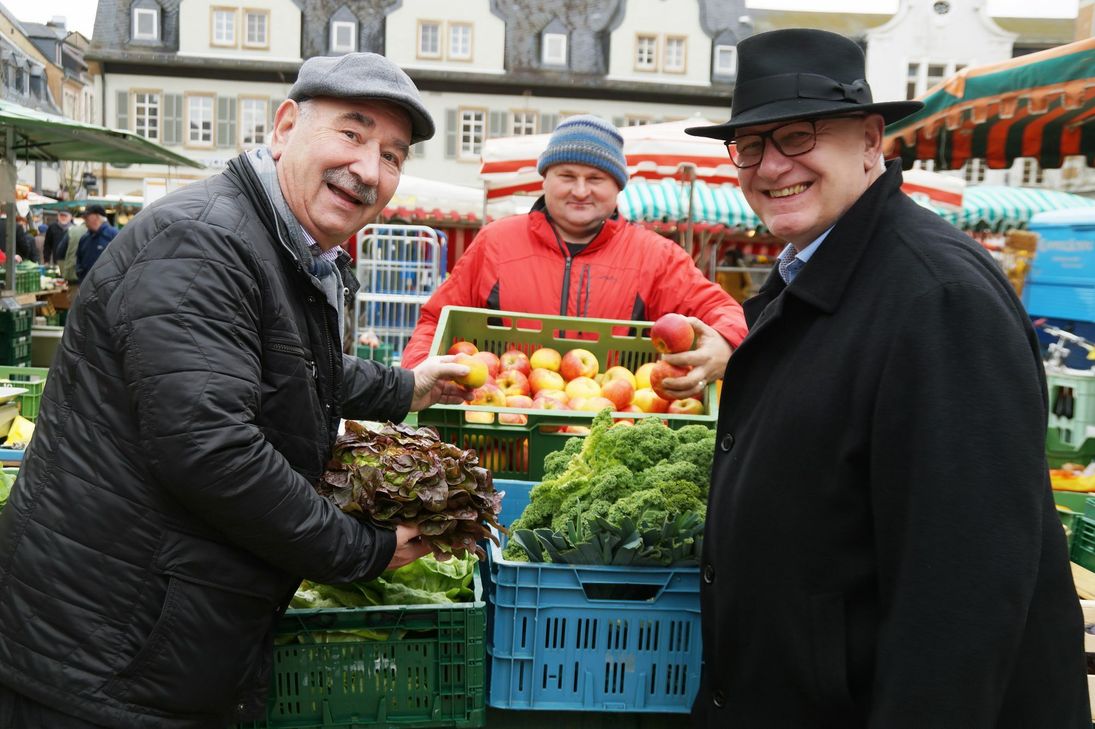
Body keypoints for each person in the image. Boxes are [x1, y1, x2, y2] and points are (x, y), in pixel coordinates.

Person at [0, 52, 474, 728]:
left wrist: (405, 386)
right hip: (104, 655)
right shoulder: (201, 242)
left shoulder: (280, 246)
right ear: (285, 127)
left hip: (149, 641)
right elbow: (212, 448)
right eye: (351, 133)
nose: (370, 169)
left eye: (392, 156)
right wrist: (360, 549)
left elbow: (283, 366)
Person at [683, 28, 1088, 728]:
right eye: (748, 146)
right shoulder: (813, 274)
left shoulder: (937, 299)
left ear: (871, 139)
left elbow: (963, 591)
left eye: (798, 136)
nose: (769, 165)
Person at [400, 115, 748, 396]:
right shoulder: (495, 242)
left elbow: (721, 312)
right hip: (505, 423)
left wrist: (726, 342)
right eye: (567, 176)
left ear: (617, 187)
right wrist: (419, 373)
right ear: (545, 180)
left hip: (615, 431)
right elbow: (436, 320)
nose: (580, 191)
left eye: (596, 178)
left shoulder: (657, 256)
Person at [74, 203, 118, 282]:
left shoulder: (114, 235)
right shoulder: (84, 238)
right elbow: (78, 260)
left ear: (97, 217)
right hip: (86, 287)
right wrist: (80, 273)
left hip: (107, 289)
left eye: (87, 216)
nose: (84, 219)